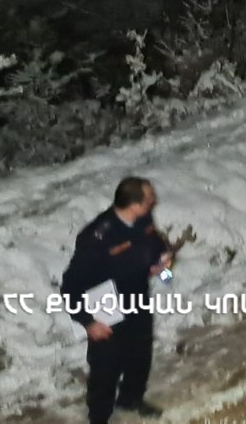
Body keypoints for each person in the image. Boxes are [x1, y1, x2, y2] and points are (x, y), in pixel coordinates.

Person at [59, 177, 174, 423]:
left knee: (140, 356)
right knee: (105, 369)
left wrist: (164, 268)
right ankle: (99, 417)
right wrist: (88, 322)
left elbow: (156, 250)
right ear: (134, 205)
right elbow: (70, 285)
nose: (155, 200)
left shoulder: (144, 219)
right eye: (150, 197)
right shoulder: (97, 237)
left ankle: (131, 399)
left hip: (138, 299)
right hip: (105, 307)